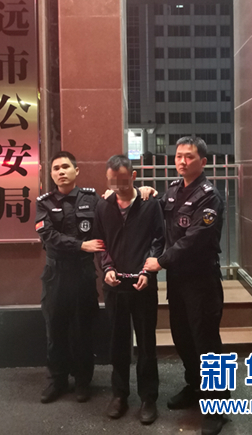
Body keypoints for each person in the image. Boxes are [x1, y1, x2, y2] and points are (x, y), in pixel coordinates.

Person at [144, 137, 229, 435]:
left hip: (201, 280)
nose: (182, 161)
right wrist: (145, 193)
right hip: (178, 281)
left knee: (207, 344)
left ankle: (218, 407)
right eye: (178, 156)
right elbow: (158, 220)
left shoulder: (209, 197)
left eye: (189, 156)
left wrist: (161, 261)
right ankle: (195, 387)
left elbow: (195, 239)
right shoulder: (172, 190)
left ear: (202, 162)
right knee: (182, 338)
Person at [94, 155, 165, 425]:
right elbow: (101, 242)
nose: (118, 187)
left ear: (133, 177)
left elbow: (159, 240)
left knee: (146, 343)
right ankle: (119, 394)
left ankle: (149, 398)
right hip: (114, 286)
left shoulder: (149, 204)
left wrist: (148, 271)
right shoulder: (103, 205)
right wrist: (107, 268)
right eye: (112, 182)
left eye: (123, 181)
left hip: (143, 285)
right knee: (118, 343)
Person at [35, 151, 105, 404]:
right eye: (56, 168)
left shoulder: (92, 199)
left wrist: (144, 191)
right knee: (55, 330)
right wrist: (81, 245)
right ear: (51, 174)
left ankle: (83, 381)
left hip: (83, 273)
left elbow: (109, 221)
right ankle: (58, 380)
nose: (61, 172)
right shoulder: (43, 203)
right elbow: (49, 236)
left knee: (83, 330)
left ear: (77, 171)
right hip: (55, 275)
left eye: (65, 167)